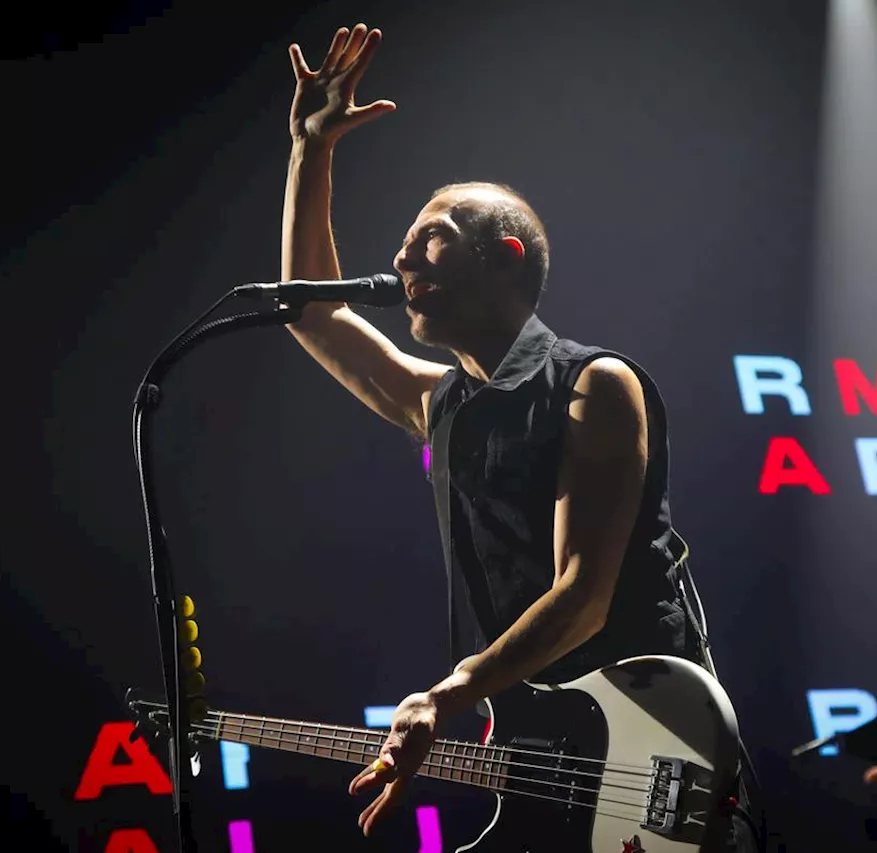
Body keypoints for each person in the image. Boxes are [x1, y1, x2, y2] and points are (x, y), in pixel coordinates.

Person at [279, 22, 757, 851]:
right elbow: (314, 311)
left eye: (429, 239)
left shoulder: (595, 386)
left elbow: (584, 593)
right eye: (399, 249)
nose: (401, 263)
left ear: (504, 257)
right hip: (550, 742)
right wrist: (308, 150)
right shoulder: (443, 400)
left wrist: (448, 694)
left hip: (656, 747)